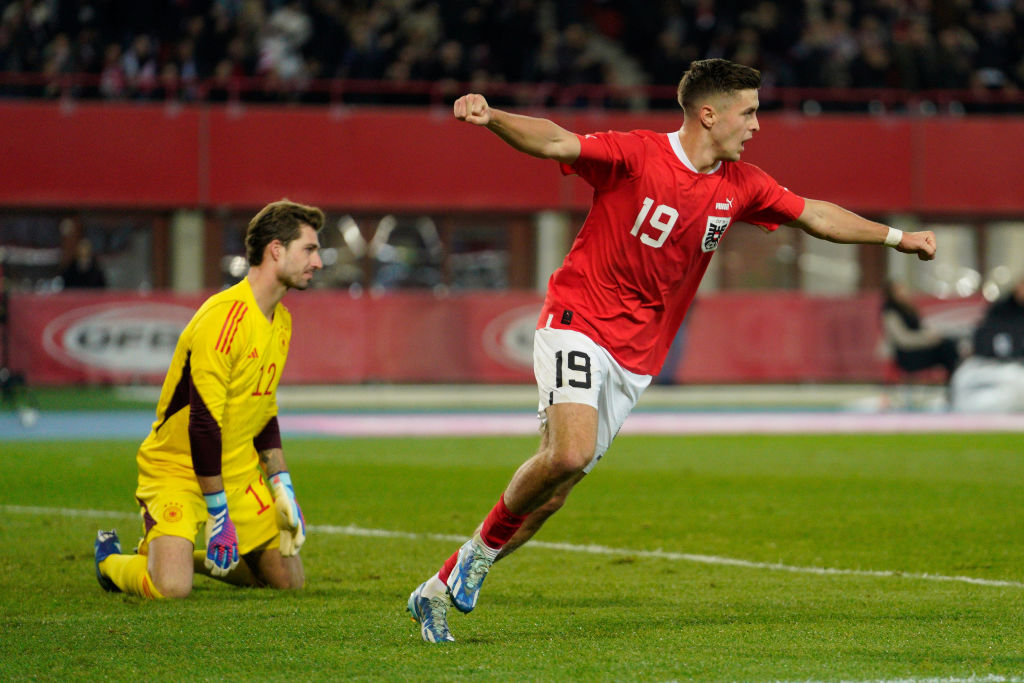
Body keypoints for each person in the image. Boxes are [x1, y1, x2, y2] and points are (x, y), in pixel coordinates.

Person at [406, 58, 938, 643]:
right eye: (749, 112)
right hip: (579, 319)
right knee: (568, 453)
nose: (757, 125)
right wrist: (492, 118)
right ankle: (476, 558)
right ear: (709, 114)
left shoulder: (742, 184)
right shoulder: (637, 155)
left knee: (552, 496)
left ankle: (437, 589)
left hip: (636, 357)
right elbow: (557, 141)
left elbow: (815, 215)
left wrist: (898, 238)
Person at [94, 199, 324, 599]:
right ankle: (110, 561)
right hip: (178, 467)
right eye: (309, 249)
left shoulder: (282, 321)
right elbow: (202, 423)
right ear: (276, 250)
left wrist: (282, 485)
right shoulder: (224, 318)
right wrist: (219, 512)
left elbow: (263, 411)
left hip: (236, 469)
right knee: (171, 588)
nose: (317, 262)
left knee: (288, 582)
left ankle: (185, 558)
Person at [950, 278, 1024, 412]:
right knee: (962, 378)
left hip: (1018, 369)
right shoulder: (1000, 310)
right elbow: (984, 338)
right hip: (989, 363)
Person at [880, 280, 960, 382]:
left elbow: (922, 328)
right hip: (907, 355)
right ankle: (954, 382)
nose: (905, 292)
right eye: (900, 290)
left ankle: (954, 379)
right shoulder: (891, 313)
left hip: (918, 348)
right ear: (892, 294)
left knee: (949, 344)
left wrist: (932, 335)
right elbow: (904, 340)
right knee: (946, 348)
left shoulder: (909, 309)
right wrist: (927, 339)